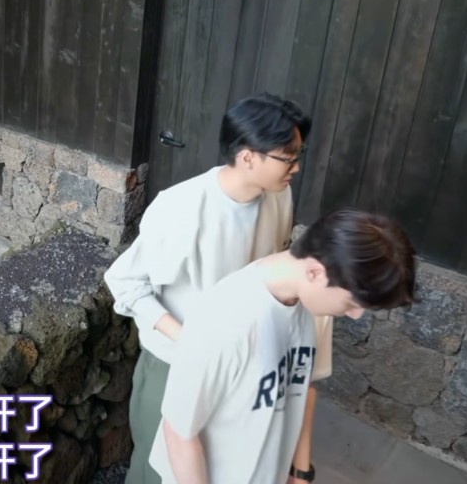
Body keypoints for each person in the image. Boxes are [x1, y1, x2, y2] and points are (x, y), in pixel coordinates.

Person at [103, 93, 332, 484]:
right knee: (157, 473)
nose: (296, 167)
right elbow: (125, 282)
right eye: (287, 157)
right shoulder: (181, 207)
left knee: (216, 467)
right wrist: (192, 341)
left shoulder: (279, 196)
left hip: (243, 367)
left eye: (299, 155)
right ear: (248, 157)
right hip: (175, 364)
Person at [149, 208, 418, 484]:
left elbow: (301, 387)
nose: (355, 315)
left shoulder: (310, 305)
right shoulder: (226, 318)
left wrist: (299, 472)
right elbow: (179, 432)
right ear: (315, 272)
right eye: (351, 302)